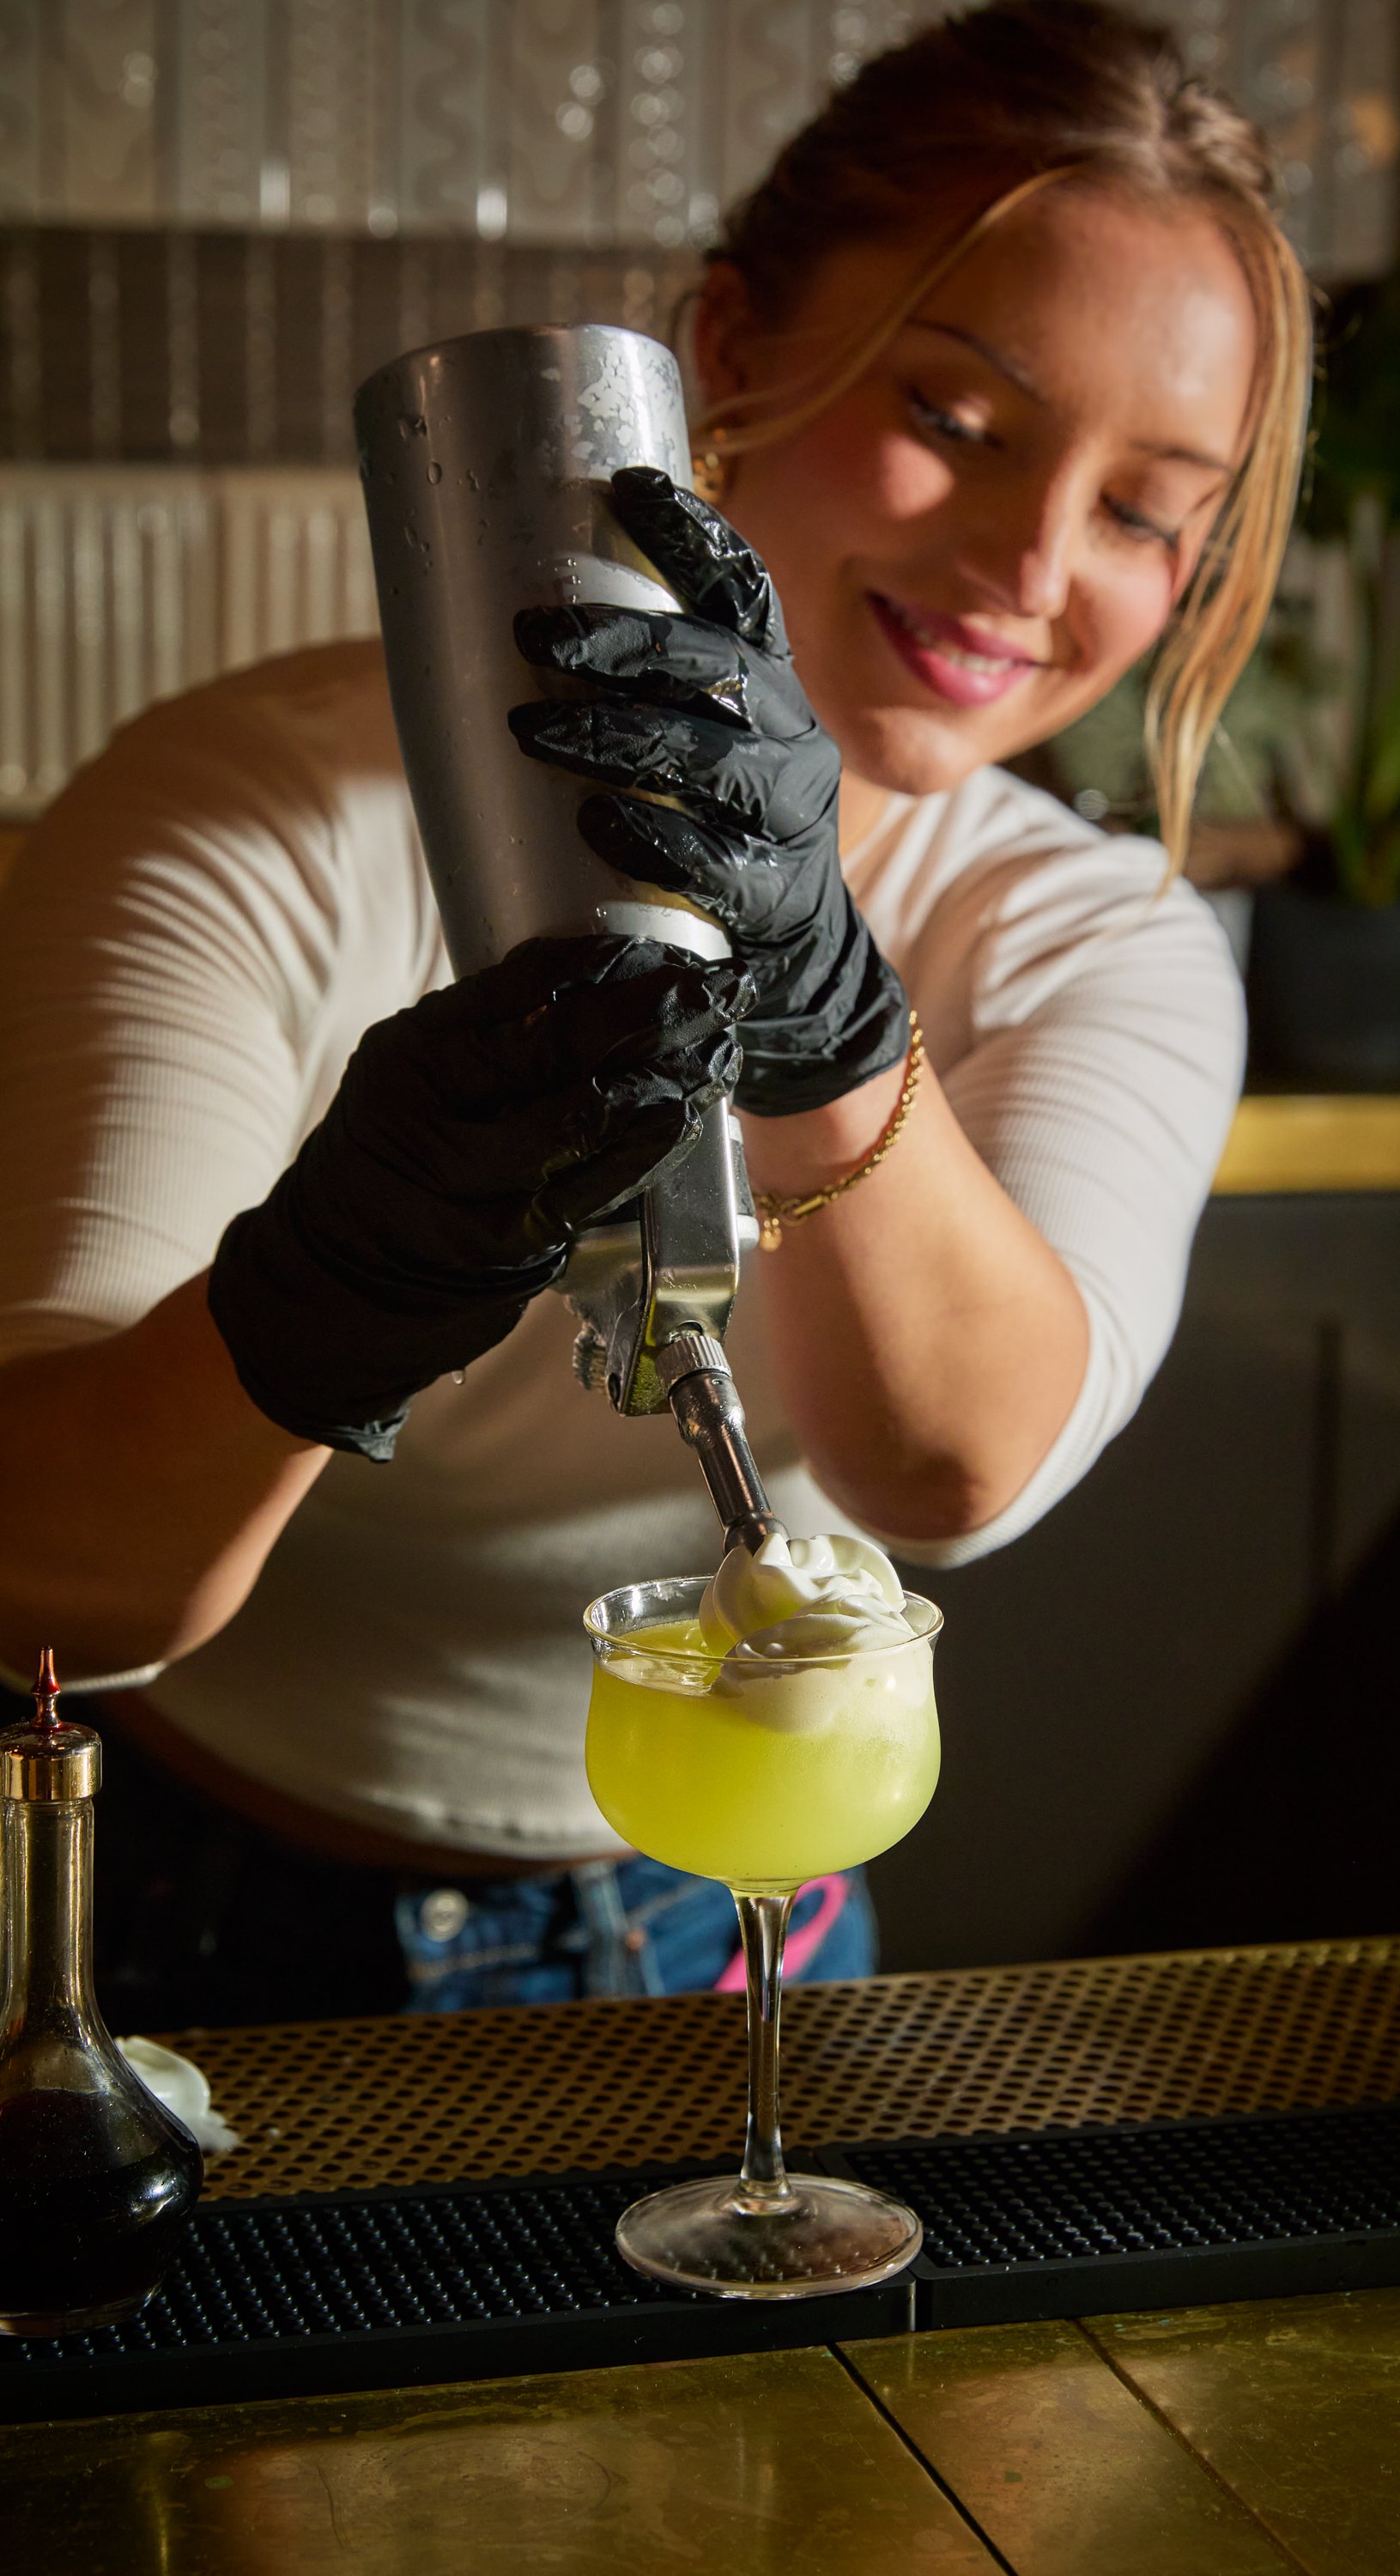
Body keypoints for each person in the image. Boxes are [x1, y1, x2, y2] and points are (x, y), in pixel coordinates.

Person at [0, 1, 1310, 2024]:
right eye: (959, 417)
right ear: (729, 351)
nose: (1030, 562)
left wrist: (832, 1023)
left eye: (1147, 511)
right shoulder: (240, 820)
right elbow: (46, 1578)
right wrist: (324, 1290)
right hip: (169, 1934)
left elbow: (948, 1472)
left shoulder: (1091, 937)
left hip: (731, 1926)